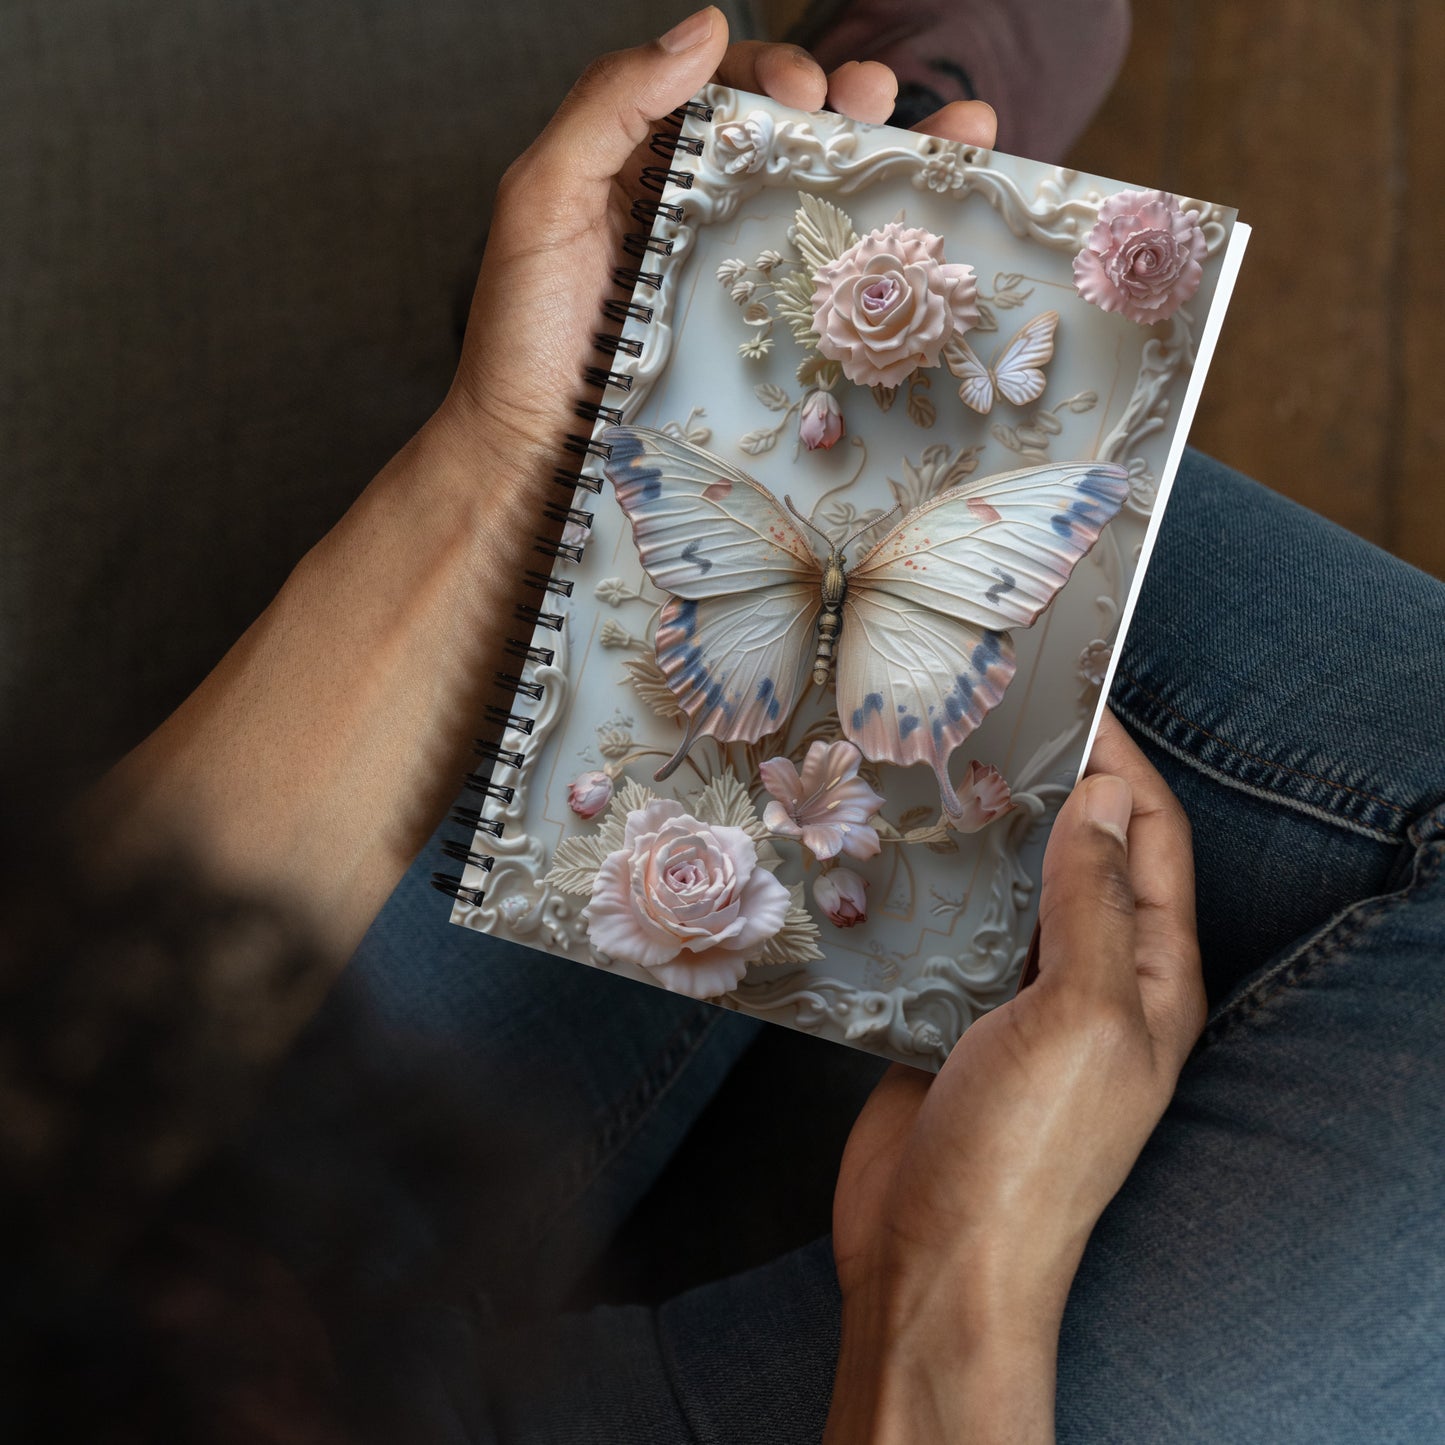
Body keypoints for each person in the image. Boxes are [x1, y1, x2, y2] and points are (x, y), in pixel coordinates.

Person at [3, 7, 1442, 1442]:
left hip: (137, 1289)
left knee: (655, 634)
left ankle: (708, 343)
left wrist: (500, 464)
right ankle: (865, 291)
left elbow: (44, 1085)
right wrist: (946, 1299)